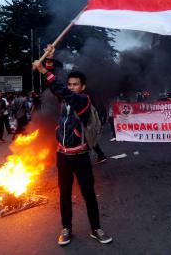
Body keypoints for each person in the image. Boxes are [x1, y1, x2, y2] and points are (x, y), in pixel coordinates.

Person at [34, 44, 112, 246]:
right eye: (69, 84)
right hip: (63, 157)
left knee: (88, 194)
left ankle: (96, 228)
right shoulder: (66, 100)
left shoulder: (83, 101)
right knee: (65, 195)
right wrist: (49, 60)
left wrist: (43, 70)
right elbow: (56, 87)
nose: (71, 87)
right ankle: (66, 228)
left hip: (81, 156)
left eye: (75, 84)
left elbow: (62, 91)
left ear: (83, 87)